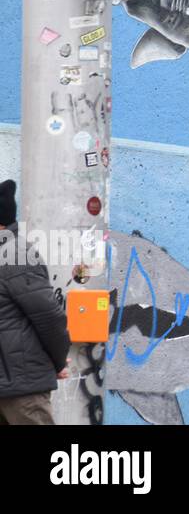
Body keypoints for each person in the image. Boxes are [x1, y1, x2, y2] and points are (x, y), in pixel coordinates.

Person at [0, 179, 71, 425]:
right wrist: (57, 361)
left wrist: (57, 360)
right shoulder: (16, 254)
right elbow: (49, 318)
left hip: (20, 389)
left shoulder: (15, 254)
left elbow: (48, 318)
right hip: (20, 386)